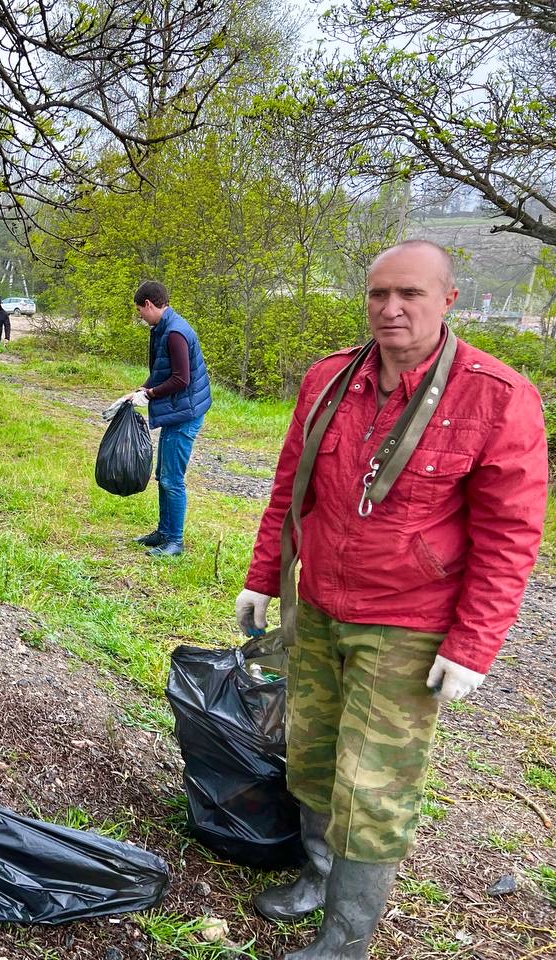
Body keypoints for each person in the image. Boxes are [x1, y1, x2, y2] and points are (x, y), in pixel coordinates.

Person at [236, 240, 546, 959]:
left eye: (410, 293)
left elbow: (510, 536)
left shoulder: (496, 397)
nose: (391, 308)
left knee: (373, 786)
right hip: (318, 607)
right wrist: (263, 576)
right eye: (379, 294)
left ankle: (345, 938)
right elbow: (291, 490)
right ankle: (317, 879)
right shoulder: (329, 380)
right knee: (312, 755)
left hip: (408, 624)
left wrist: (473, 646)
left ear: (448, 300)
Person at [117, 281, 212, 557]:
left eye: (139, 310)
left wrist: (150, 395)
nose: (140, 316)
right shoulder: (163, 328)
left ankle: (175, 541)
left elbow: (181, 379)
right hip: (178, 411)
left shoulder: (175, 333)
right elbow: (163, 371)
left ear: (149, 304)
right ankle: (163, 532)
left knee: (172, 479)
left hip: (185, 415)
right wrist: (141, 389)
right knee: (163, 476)